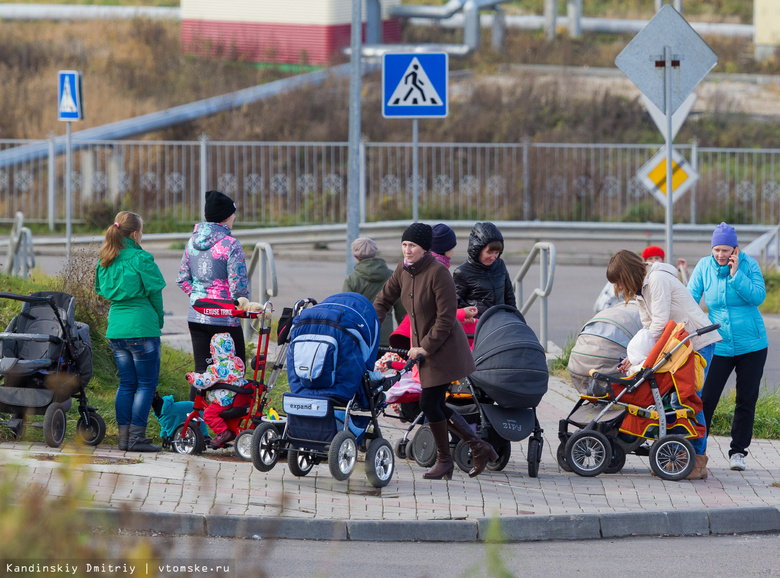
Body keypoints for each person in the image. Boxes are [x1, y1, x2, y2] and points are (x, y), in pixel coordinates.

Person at [374, 223, 497, 480]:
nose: (407, 250)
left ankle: (448, 459)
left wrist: (423, 348)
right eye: (404, 245)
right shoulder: (403, 270)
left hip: (445, 348)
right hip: (424, 348)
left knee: (430, 402)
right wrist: (369, 325)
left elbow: (446, 318)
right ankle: (477, 447)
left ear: (425, 248)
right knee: (435, 404)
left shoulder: (438, 273)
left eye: (413, 246)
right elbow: (383, 300)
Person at [606, 249, 721, 479]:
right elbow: (649, 329)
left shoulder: (657, 279)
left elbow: (659, 323)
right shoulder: (640, 290)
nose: (618, 287)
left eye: (618, 281)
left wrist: (645, 358)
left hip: (696, 342)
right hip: (676, 345)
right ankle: (679, 456)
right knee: (670, 400)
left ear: (627, 274)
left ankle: (698, 460)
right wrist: (635, 358)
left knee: (688, 398)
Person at [688, 222, 768, 472]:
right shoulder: (703, 266)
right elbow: (691, 300)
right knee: (706, 399)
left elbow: (758, 297)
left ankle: (738, 452)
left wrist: (736, 277)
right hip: (717, 344)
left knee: (746, 399)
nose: (721, 255)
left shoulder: (749, 265)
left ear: (735, 248)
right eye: (717, 250)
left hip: (752, 344)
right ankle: (697, 450)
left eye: (726, 250)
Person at [94, 211, 166, 452]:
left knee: (126, 384)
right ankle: (136, 439)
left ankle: (124, 438)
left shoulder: (105, 259)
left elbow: (101, 290)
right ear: (135, 234)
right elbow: (155, 294)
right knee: (146, 385)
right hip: (142, 327)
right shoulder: (141, 258)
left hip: (116, 329)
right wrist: (159, 319)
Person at [177, 190, 249, 400]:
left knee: (201, 373)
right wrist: (241, 302)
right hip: (225, 317)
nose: (234, 217)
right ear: (226, 217)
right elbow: (238, 287)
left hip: (197, 316)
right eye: (233, 214)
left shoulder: (191, 242)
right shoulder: (231, 245)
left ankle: (196, 425)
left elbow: (182, 279)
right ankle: (227, 424)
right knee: (235, 369)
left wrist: (198, 297)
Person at [185, 333, 252, 449]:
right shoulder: (238, 362)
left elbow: (204, 381)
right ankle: (225, 431)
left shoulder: (218, 368)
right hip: (237, 398)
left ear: (215, 350)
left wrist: (192, 377)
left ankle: (223, 433)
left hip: (225, 401)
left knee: (208, 414)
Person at [343, 237, 405, 347]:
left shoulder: (352, 279)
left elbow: (346, 311)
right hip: (385, 336)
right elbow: (401, 311)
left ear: (355, 257)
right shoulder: (392, 276)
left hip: (361, 337)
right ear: (375, 253)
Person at [453, 222, 516, 318]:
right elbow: (457, 304)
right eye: (489, 252)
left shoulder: (500, 265)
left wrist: (516, 318)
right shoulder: (462, 272)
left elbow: (509, 297)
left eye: (497, 252)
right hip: (477, 327)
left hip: (500, 322)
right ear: (477, 249)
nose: (493, 257)